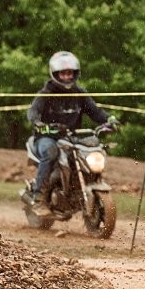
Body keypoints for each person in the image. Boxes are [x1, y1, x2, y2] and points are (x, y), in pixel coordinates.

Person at [27, 51, 120, 216]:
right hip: (47, 137)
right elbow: (33, 111)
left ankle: (77, 189)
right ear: (55, 74)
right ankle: (38, 199)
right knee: (50, 152)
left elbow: (95, 112)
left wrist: (109, 119)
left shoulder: (80, 93)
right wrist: (39, 124)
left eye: (69, 73)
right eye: (63, 73)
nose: (66, 76)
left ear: (75, 73)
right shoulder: (46, 93)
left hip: (71, 137)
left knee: (89, 152)